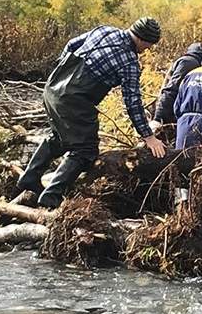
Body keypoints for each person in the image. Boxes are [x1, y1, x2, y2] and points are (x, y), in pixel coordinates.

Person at [13, 17, 167, 209]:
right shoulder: (129, 63)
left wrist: (62, 72)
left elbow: (71, 44)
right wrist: (148, 136)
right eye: (149, 45)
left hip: (52, 89)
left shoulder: (104, 31)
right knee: (85, 149)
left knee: (59, 137)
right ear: (143, 40)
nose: (148, 49)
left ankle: (29, 178)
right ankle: (52, 195)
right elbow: (133, 102)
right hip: (74, 101)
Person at [152, 34, 202, 126]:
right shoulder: (190, 63)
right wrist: (158, 119)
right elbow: (171, 90)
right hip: (169, 119)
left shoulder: (197, 62)